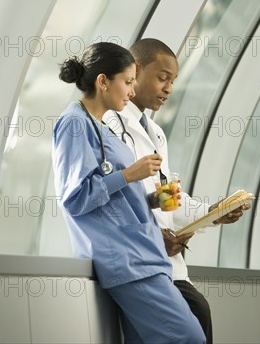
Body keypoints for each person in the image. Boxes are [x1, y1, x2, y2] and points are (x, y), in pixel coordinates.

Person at [52, 42, 206, 344]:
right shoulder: (73, 123)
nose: (132, 91)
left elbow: (113, 197)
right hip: (128, 261)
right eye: (128, 82)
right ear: (103, 81)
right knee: (190, 338)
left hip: (145, 257)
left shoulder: (101, 127)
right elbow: (75, 198)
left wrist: (151, 199)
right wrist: (129, 174)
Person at [103, 38, 250, 344]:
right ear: (136, 71)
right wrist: (154, 235)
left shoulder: (156, 133)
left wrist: (213, 213)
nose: (169, 88)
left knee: (198, 313)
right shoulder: (110, 123)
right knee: (196, 314)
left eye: (173, 81)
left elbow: (169, 200)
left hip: (166, 262)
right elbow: (116, 197)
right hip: (140, 259)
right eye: (162, 78)